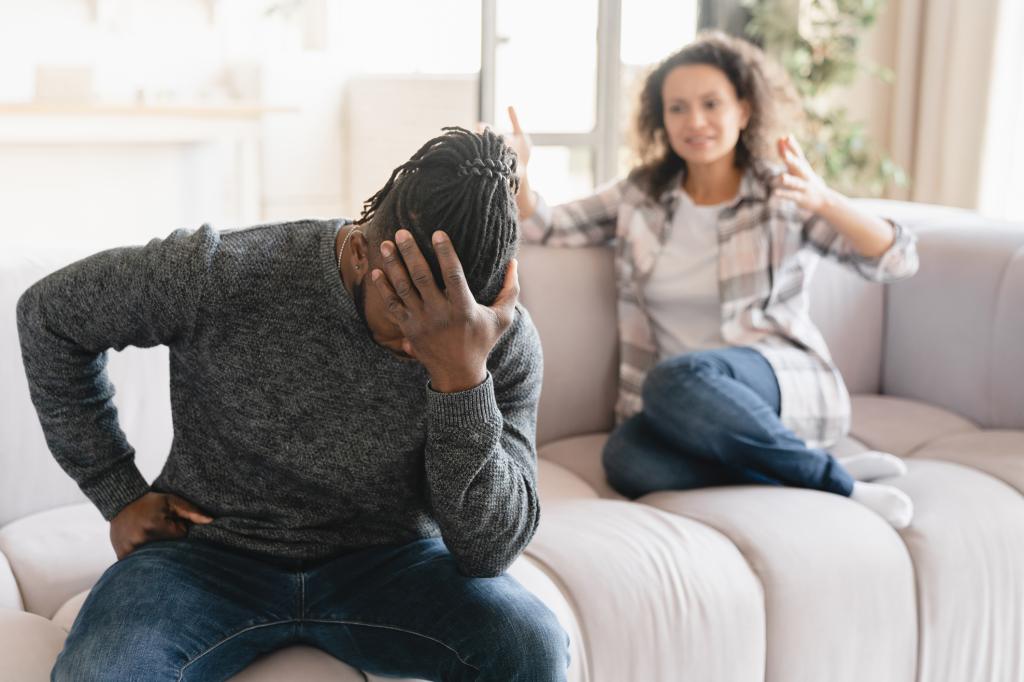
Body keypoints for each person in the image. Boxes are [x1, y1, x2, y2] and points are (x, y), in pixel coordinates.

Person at [17, 127, 569, 681]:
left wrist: (462, 379)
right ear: (360, 250)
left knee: (532, 647)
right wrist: (117, 489)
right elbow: (49, 315)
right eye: (403, 317)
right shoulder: (219, 273)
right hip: (204, 555)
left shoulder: (500, 342)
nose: (415, 347)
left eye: (443, 333)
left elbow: (487, 552)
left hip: (395, 563)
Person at [510, 31, 919, 529]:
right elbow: (546, 226)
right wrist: (521, 178)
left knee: (679, 375)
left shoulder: (780, 190)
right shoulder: (641, 194)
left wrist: (825, 200)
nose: (695, 121)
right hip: (687, 409)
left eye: (711, 104)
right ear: (661, 119)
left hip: (778, 379)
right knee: (627, 459)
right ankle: (804, 468)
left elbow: (896, 261)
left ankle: (840, 485)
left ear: (743, 111)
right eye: (677, 108)